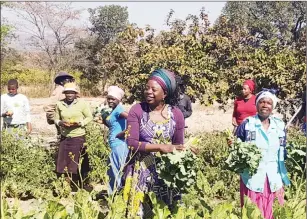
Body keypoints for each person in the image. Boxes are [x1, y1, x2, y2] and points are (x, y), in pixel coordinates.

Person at [123, 68, 185, 218]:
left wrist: (187, 150)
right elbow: (131, 143)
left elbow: (178, 145)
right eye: (147, 88)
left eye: (153, 89)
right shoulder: (137, 110)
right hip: (141, 169)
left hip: (166, 172)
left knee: (164, 211)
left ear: (165, 94)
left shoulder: (176, 114)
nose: (148, 92)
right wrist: (160, 147)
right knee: (140, 212)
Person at [235, 88, 290, 219]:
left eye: (269, 103)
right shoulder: (247, 125)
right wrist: (234, 146)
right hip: (252, 177)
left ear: (273, 106)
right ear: (257, 104)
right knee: (253, 212)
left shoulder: (279, 126)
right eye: (262, 102)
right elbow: (237, 150)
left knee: (274, 211)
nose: (265, 105)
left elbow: (283, 151)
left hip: (274, 177)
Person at [54, 82, 92, 188]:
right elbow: (56, 119)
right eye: (67, 93)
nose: (69, 95)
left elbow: (89, 117)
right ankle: (66, 185)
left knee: (78, 161)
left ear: (76, 94)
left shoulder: (82, 104)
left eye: (72, 93)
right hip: (65, 137)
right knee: (64, 162)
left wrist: (79, 123)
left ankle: (80, 184)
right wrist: (61, 123)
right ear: (64, 93)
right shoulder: (59, 104)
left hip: (78, 136)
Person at [102, 86, 129, 194]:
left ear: (119, 100)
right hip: (114, 145)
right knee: (113, 171)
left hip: (120, 145)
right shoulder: (114, 111)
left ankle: (117, 195)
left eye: (113, 99)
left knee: (117, 171)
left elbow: (132, 119)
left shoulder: (119, 110)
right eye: (109, 98)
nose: (110, 101)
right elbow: (114, 126)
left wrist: (125, 133)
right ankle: (115, 194)